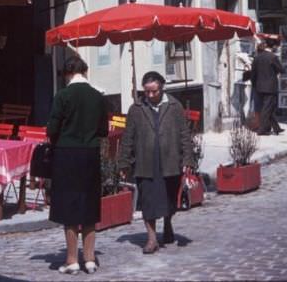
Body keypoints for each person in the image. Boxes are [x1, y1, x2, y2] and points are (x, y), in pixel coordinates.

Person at [118, 71, 194, 254]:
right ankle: (152, 239)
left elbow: (184, 134)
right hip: (145, 161)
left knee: (169, 198)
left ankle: (168, 223)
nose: (150, 96)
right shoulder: (136, 109)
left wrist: (188, 158)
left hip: (170, 160)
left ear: (162, 88)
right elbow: (128, 137)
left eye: (154, 92)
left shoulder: (174, 106)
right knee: (148, 201)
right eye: (147, 92)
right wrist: (123, 162)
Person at [47, 56, 109, 275]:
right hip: (90, 154)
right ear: (85, 71)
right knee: (89, 206)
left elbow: (52, 129)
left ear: (67, 74)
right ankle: (90, 259)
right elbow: (103, 130)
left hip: (66, 154)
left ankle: (72, 259)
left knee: (69, 207)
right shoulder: (97, 97)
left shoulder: (62, 96)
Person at [242, 37, 285, 135]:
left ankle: (276, 128)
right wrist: (275, 71)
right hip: (270, 87)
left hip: (259, 87)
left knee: (268, 107)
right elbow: (282, 69)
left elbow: (253, 73)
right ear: (272, 46)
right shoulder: (272, 57)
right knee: (267, 108)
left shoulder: (257, 57)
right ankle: (262, 129)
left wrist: (254, 84)